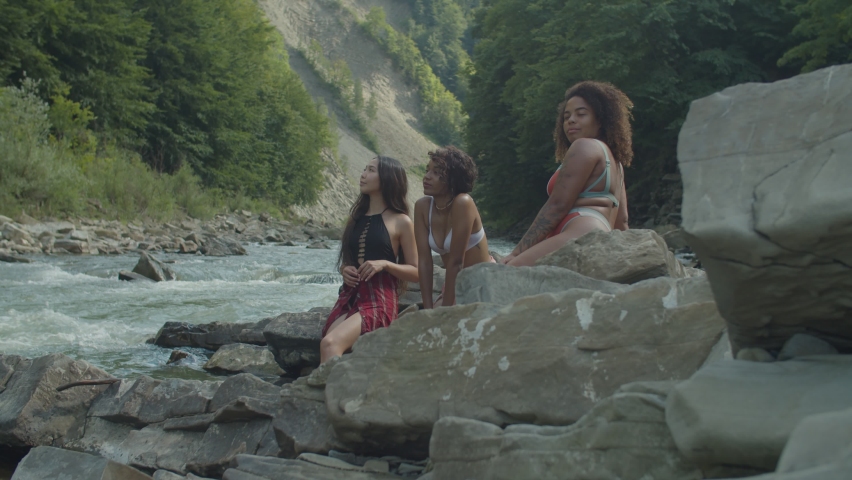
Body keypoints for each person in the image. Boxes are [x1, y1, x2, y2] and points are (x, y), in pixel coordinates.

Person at [501, 81, 633, 266]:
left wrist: (516, 253)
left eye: (581, 114)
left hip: (580, 232)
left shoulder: (584, 145)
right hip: (601, 235)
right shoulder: (615, 163)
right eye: (566, 116)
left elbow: (557, 205)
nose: (571, 120)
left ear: (601, 119)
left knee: (507, 273)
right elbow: (622, 221)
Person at [320, 156, 419, 364]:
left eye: (371, 170)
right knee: (327, 343)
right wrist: (344, 269)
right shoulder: (356, 217)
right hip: (351, 296)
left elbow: (417, 272)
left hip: (379, 300)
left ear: (387, 178)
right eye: (364, 169)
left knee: (331, 344)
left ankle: (333, 396)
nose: (363, 174)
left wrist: (385, 264)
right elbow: (349, 260)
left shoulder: (401, 221)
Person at [414, 146, 493, 308]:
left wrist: (445, 311)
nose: (427, 177)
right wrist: (427, 309)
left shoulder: (463, 202)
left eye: (436, 173)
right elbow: (424, 262)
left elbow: (457, 261)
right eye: (427, 170)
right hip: (454, 285)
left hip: (483, 282)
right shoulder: (422, 207)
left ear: (453, 179)